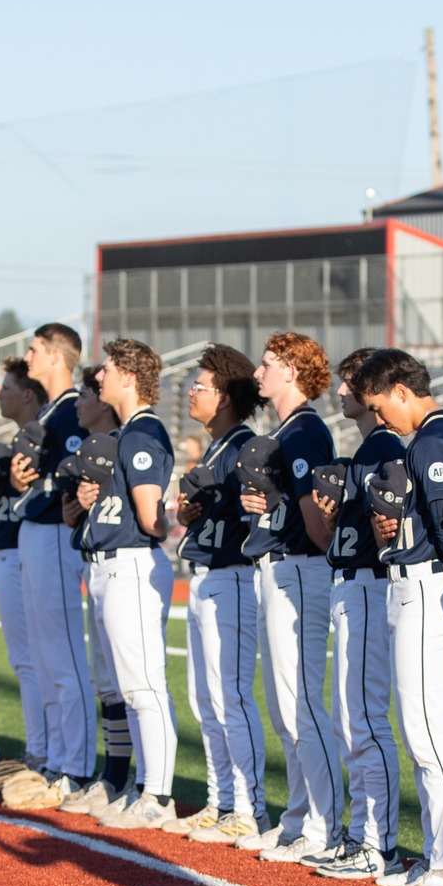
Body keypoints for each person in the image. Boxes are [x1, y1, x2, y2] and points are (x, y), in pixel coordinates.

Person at [355, 347, 443, 886]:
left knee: (428, 731)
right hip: (418, 582)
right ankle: (441, 854)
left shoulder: (434, 439)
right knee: (421, 728)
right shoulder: (429, 438)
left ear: (403, 390)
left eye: (382, 406)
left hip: (428, 587)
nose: (380, 419)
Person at [297, 348, 405, 879]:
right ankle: (364, 834)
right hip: (349, 582)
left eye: (348, 383)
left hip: (367, 584)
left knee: (363, 715)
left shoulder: (383, 445)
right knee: (351, 716)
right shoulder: (364, 449)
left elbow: (393, 522)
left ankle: (378, 843)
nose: (340, 392)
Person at [237, 331, 344, 863]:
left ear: (294, 372)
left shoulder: (303, 430)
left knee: (301, 701)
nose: (259, 373)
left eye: (269, 363)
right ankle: (299, 817)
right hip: (281, 566)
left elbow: (313, 513)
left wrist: (323, 555)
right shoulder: (285, 429)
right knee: (284, 704)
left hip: (300, 568)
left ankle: (324, 825)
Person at [77, 339, 181, 829]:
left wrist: (162, 524)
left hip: (132, 564)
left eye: (107, 370)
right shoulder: (127, 432)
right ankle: (134, 784)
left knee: (143, 686)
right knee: (118, 685)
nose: (99, 377)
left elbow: (150, 516)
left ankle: (157, 794)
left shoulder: (142, 433)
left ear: (129, 377)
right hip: (108, 564)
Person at [167, 344, 263, 842]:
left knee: (232, 696)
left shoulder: (246, 445)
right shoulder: (216, 447)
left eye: (200, 386)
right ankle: (220, 798)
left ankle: (247, 807)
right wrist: (190, 513)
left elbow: (253, 514)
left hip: (235, 577)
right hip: (205, 575)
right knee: (203, 696)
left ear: (224, 396)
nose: (191, 392)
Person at [13, 322, 98, 798]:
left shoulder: (69, 412)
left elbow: (68, 483)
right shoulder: (50, 411)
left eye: (34, 350)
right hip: (36, 532)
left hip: (56, 535)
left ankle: (76, 764)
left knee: (62, 653)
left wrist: (32, 484)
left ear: (55, 356)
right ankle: (55, 757)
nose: (27, 358)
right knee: (45, 656)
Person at [58, 366, 136, 814]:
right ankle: (114, 773)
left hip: (126, 566)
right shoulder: (89, 451)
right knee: (105, 680)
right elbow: (73, 517)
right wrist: (78, 503)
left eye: (87, 392)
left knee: (132, 682)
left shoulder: (128, 441)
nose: (80, 402)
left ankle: (140, 780)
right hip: (96, 563)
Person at [0, 360, 47, 773]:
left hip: (25, 554)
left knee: (33, 660)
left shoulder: (38, 437)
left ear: (26, 395)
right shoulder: (19, 438)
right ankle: (42, 748)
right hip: (11, 552)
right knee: (29, 660)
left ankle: (43, 751)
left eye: (6, 388)